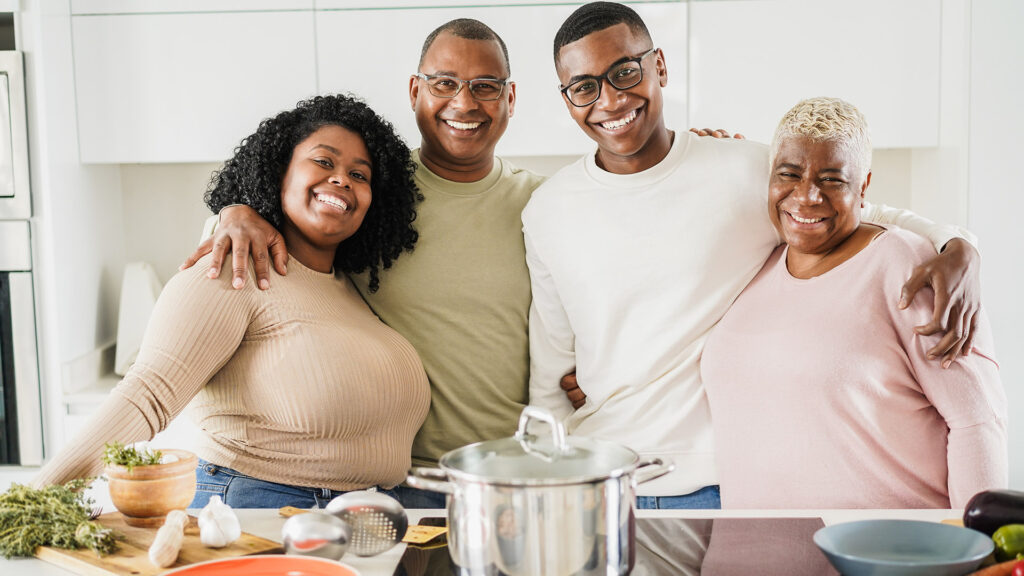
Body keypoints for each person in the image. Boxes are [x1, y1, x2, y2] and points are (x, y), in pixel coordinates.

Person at [523, 1, 983, 509]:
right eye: (584, 86)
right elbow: (550, 376)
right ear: (566, 98)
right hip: (597, 485)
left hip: (721, 484)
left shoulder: (741, 170)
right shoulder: (547, 210)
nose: (610, 99)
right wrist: (550, 491)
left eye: (625, 72)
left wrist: (958, 245)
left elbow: (850, 207)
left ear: (659, 67)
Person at [181, 20, 546, 508]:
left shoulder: (543, 203)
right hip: (392, 487)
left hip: (516, 480)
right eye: (444, 83)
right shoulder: (372, 196)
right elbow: (281, 215)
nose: (464, 103)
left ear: (511, 98)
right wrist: (234, 212)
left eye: (485, 87)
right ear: (416, 91)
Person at [33, 95, 430, 509]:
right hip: (261, 512)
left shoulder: (351, 291)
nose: (342, 180)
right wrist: (32, 503)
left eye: (359, 174)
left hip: (363, 517)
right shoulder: (231, 267)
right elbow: (145, 394)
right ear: (280, 171)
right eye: (324, 162)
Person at [701, 97, 1007, 509]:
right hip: (750, 556)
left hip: (890, 554)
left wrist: (981, 552)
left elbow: (977, 421)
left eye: (831, 180)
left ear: (862, 187)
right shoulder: (754, 264)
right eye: (789, 174)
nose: (806, 196)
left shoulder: (909, 266)